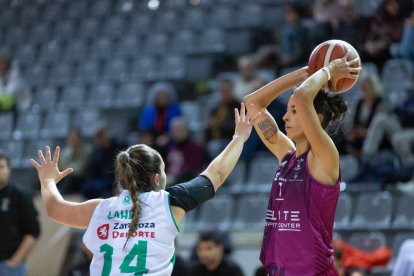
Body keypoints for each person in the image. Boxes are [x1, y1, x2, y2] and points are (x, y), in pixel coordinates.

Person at [30, 103, 259, 275]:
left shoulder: (100, 209)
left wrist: (47, 180)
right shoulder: (170, 203)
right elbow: (215, 174)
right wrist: (239, 138)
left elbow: (54, 209)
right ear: (156, 178)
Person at [244, 51, 360, 274]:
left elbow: (301, 96)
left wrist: (327, 71)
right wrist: (304, 73)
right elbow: (252, 104)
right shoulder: (286, 155)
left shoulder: (324, 156)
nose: (285, 117)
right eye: (287, 111)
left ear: (316, 119)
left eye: (294, 111)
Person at [0, 152, 40, 276]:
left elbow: (33, 231)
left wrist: (15, 260)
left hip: (9, 265)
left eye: (1, 167)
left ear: (9, 170)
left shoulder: (20, 195)